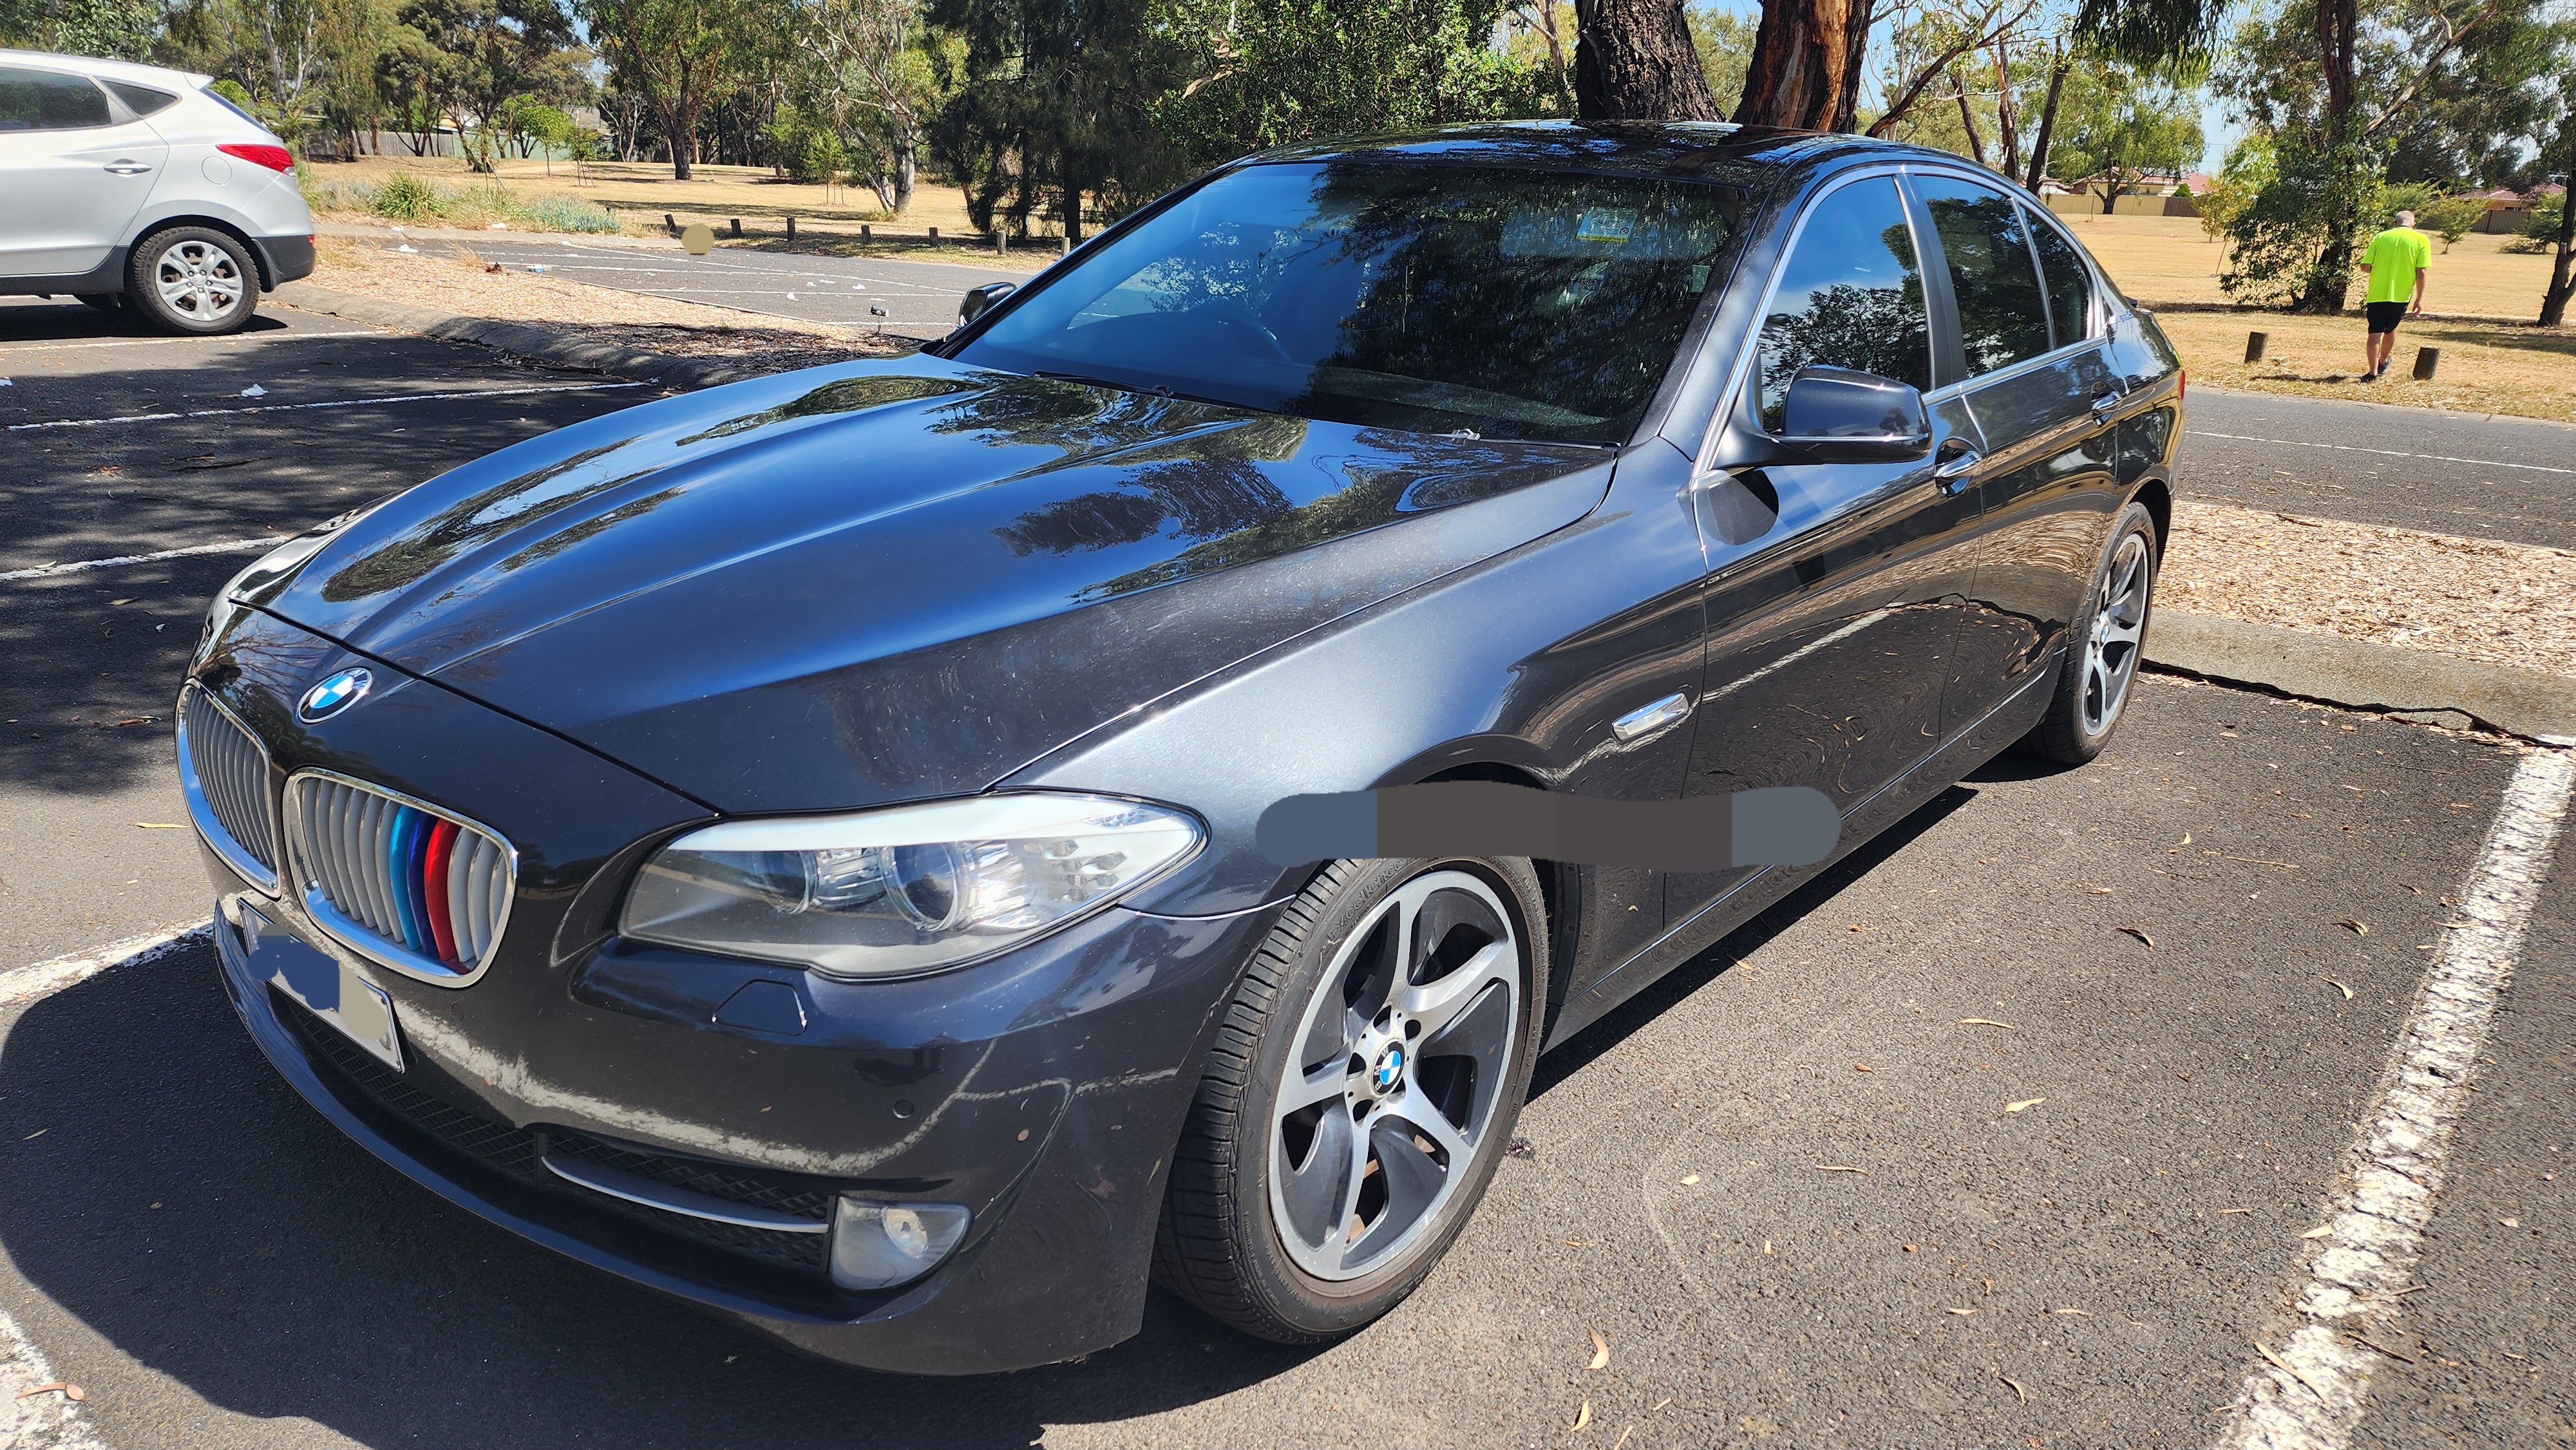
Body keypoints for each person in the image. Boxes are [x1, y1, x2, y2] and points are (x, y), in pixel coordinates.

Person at [2359, 208, 2430, 381]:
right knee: (2391, 328)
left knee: (2374, 332)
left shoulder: (2381, 237)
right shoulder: (2421, 239)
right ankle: (2384, 360)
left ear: (2394, 223)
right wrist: (2419, 300)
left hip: (2377, 293)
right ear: (2413, 224)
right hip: (2401, 295)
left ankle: (2372, 373)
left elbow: (2365, 266)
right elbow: (2420, 272)